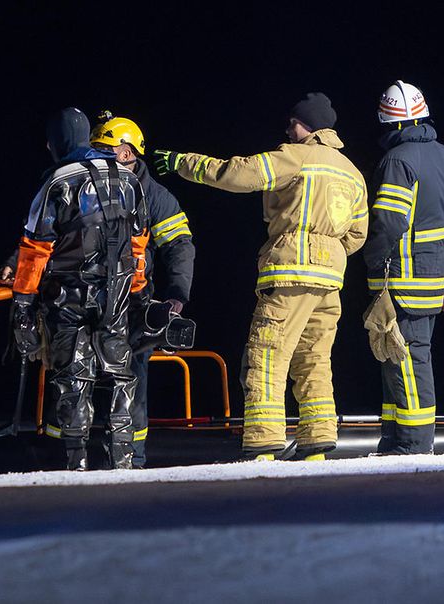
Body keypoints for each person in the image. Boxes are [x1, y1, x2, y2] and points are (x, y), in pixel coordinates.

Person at [151, 93, 366, 461]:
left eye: (293, 123)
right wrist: (326, 253)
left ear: (308, 125)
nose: (288, 128)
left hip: (289, 272)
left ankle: (265, 443)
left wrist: (181, 162)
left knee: (267, 355)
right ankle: (317, 442)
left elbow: (238, 174)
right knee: (314, 358)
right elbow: (358, 233)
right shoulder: (351, 170)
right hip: (330, 281)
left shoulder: (294, 157)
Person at [10, 108, 150, 470]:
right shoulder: (129, 180)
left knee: (73, 375)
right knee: (120, 374)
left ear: (55, 143)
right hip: (116, 298)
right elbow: (139, 243)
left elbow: (35, 248)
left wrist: (23, 302)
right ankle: (123, 459)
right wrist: (137, 291)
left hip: (68, 298)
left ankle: (77, 464)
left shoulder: (57, 181)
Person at [362, 81, 444, 455]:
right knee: (396, 357)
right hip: (432, 278)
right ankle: (394, 438)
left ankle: (414, 444)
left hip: (400, 277)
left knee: (407, 359)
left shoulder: (396, 161)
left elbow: (389, 221)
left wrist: (370, 258)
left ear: (387, 121)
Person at [89, 113, 194, 468]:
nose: (100, 157)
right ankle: (72, 454)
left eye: (107, 149)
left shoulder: (154, 196)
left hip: (132, 302)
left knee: (131, 377)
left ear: (128, 152)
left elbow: (178, 245)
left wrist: (177, 294)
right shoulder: (87, 185)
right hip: (85, 297)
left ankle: (132, 459)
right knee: (76, 376)